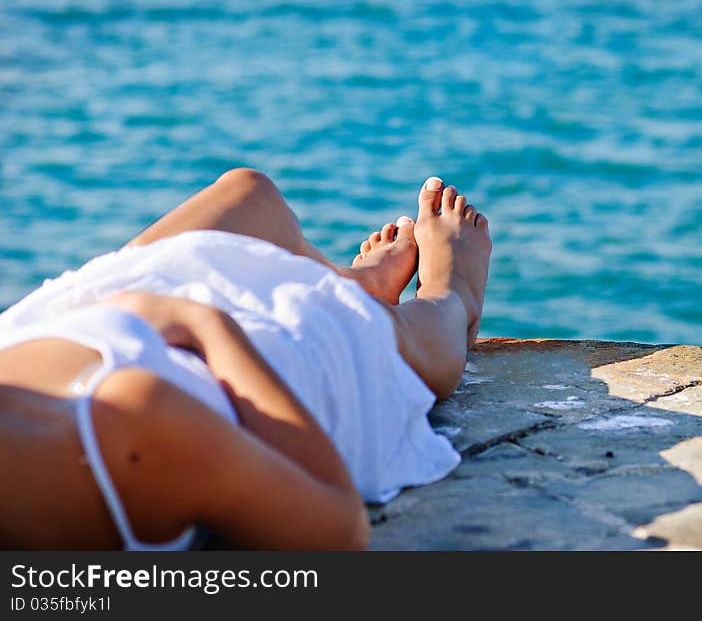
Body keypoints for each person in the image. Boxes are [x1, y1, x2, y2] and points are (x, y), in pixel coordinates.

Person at [0, 169, 491, 549]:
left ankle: (349, 285)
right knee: (402, 339)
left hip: (80, 317)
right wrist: (201, 322)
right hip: (233, 360)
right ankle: (452, 295)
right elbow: (340, 530)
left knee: (249, 194)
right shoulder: (121, 424)